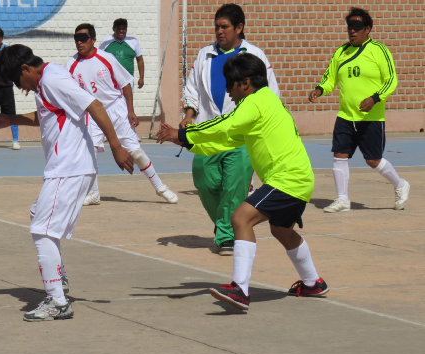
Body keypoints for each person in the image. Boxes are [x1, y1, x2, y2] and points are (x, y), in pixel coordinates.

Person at [157, 53, 329, 311]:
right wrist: (185, 141)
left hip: (287, 179)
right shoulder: (266, 102)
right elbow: (226, 141)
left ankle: (240, 289)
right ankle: (313, 282)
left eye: (230, 84)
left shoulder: (255, 101)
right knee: (281, 230)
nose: (228, 91)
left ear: (246, 83)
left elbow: (225, 125)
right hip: (299, 180)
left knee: (240, 218)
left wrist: (182, 131)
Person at [0, 44, 134, 321]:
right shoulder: (46, 81)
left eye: (18, 82)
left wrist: (116, 145)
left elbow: (94, 105)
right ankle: (59, 281)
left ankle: (57, 301)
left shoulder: (53, 79)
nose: (21, 88)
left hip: (69, 168)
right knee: (37, 214)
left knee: (41, 230)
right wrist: (11, 119)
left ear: (26, 69)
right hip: (67, 168)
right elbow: (46, 115)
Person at [180, 4, 280, 255]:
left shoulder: (255, 55)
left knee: (234, 187)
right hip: (209, 130)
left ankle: (226, 234)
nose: (219, 31)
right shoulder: (204, 55)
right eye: (217, 27)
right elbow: (192, 88)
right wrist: (189, 115)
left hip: (240, 135)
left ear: (239, 28)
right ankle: (224, 223)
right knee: (205, 181)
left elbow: (270, 93)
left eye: (224, 27)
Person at [309, 7, 409, 212]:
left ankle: (400, 184)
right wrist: (319, 89)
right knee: (340, 154)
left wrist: (375, 98)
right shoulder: (341, 52)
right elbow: (330, 78)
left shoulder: (379, 50)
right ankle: (343, 200)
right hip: (346, 115)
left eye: (357, 27)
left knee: (373, 160)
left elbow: (391, 81)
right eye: (349, 27)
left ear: (368, 29)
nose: (352, 31)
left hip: (371, 117)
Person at [66, 23, 177, 205]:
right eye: (76, 39)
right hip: (93, 114)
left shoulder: (106, 58)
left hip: (116, 110)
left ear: (93, 40)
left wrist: (130, 110)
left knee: (136, 153)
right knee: (89, 152)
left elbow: (126, 84)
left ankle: (160, 187)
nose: (79, 42)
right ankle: (93, 194)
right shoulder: (71, 64)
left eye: (84, 38)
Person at [99, 18, 144, 89]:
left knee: (128, 100)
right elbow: (99, 59)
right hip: (110, 80)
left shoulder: (133, 41)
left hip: (128, 79)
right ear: (113, 29)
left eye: (124, 29)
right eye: (119, 29)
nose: (121, 31)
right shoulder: (106, 41)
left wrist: (141, 77)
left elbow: (140, 60)